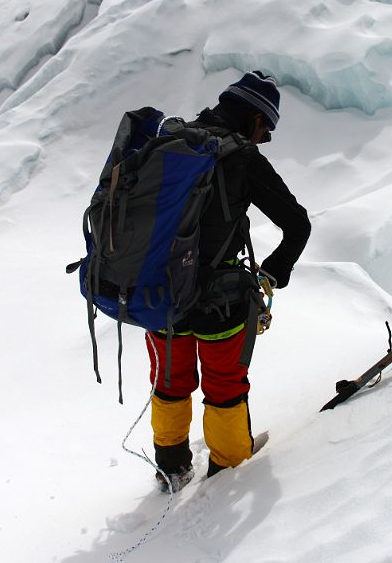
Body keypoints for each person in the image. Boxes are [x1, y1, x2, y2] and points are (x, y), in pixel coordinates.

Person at [148, 71, 311, 492]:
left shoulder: (171, 142)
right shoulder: (241, 157)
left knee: (170, 379)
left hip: (159, 293)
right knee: (224, 385)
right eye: (267, 130)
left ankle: (171, 468)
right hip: (218, 299)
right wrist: (272, 273)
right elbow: (297, 225)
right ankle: (228, 470)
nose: (265, 139)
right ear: (254, 117)